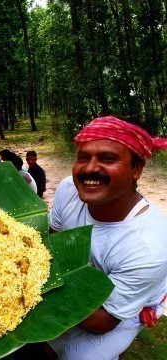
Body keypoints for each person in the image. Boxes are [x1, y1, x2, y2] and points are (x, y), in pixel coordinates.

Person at [46, 116, 167, 359]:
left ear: (137, 169)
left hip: (123, 308)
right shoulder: (69, 189)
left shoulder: (148, 248)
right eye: (83, 157)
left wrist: (34, 290)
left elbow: (104, 320)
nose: (89, 168)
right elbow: (53, 240)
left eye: (108, 159)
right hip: (74, 279)